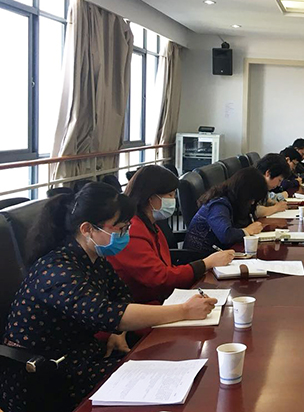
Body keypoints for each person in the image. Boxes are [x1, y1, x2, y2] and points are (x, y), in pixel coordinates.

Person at [0, 182, 216, 412]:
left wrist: (117, 332)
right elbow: (107, 313)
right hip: (45, 374)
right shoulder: (56, 270)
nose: (126, 234)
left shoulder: (93, 258)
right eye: (120, 228)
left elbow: (121, 296)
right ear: (87, 229)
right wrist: (184, 311)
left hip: (83, 357)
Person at [108, 166, 234, 304]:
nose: (174, 200)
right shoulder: (131, 230)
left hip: (160, 297)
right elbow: (160, 278)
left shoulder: (149, 224)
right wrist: (206, 264)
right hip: (144, 305)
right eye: (170, 195)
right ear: (151, 198)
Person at [184, 167, 269, 256]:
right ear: (243, 193)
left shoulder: (232, 200)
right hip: (200, 258)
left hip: (219, 255)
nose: (252, 203)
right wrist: (247, 230)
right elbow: (226, 235)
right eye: (251, 198)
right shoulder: (218, 204)